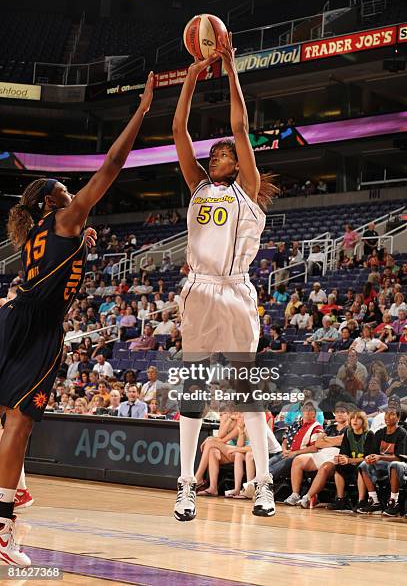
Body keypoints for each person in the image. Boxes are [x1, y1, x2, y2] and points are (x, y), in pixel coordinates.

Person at [0, 72, 154, 566]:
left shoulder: (39, 231)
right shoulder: (66, 217)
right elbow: (111, 165)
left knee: (9, 422)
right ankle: (3, 528)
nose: (74, 193)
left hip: (14, 318)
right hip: (38, 328)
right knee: (21, 425)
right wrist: (142, 112)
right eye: (66, 189)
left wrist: (80, 249)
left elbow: (53, 265)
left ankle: (12, 499)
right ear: (51, 200)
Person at [171, 34, 277, 521]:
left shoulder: (248, 191)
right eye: (213, 155)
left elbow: (240, 124)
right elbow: (179, 132)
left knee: (244, 391)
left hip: (235, 289)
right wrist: (191, 79)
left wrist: (231, 70)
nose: (218, 156)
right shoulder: (196, 186)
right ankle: (185, 483)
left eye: (226, 153)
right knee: (193, 390)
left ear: (239, 161)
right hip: (198, 291)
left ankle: (263, 484)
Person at [284, 403, 349, 508]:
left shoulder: (349, 429)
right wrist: (333, 440)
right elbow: (318, 443)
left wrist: (326, 439)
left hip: (337, 455)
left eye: (342, 412)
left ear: (348, 415)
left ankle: (307, 497)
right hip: (322, 452)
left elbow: (342, 441)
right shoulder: (329, 427)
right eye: (337, 412)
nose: (339, 414)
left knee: (324, 468)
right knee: (298, 460)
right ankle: (295, 494)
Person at [357, 406, 407, 514]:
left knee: (394, 464)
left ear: (398, 418)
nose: (387, 417)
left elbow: (399, 457)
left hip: (400, 465)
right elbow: (373, 453)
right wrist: (370, 458)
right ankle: (374, 501)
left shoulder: (402, 433)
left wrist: (380, 457)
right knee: (364, 465)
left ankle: (394, 501)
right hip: (382, 464)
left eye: (392, 414)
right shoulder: (379, 433)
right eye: (386, 414)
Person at [327, 410, 375, 512]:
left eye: (358, 418)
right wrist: (340, 458)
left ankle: (361, 501)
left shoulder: (369, 434)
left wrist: (349, 460)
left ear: (363, 421)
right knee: (338, 467)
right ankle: (341, 499)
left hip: (365, 464)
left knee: (361, 467)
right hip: (351, 463)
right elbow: (344, 452)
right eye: (353, 418)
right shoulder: (348, 433)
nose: (355, 421)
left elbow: (368, 457)